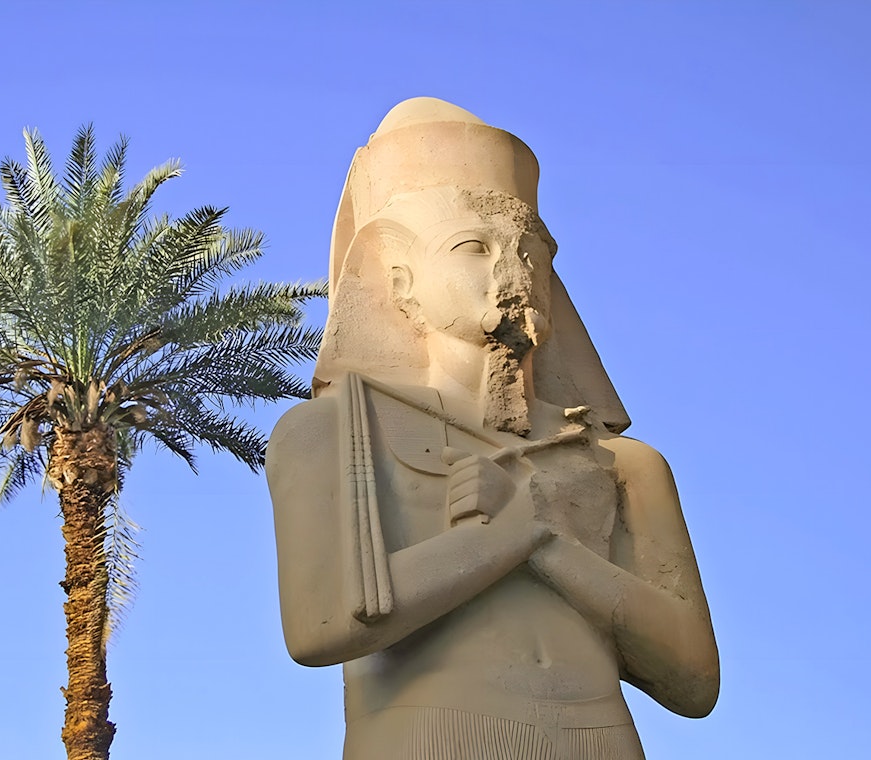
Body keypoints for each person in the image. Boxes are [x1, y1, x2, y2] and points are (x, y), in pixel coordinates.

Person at [266, 98, 718, 760]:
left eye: (530, 249)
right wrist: (512, 534)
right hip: (425, 733)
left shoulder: (624, 463)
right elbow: (323, 626)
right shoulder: (331, 432)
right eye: (475, 248)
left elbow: (693, 681)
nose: (514, 272)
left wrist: (541, 540)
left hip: (602, 738)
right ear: (401, 283)